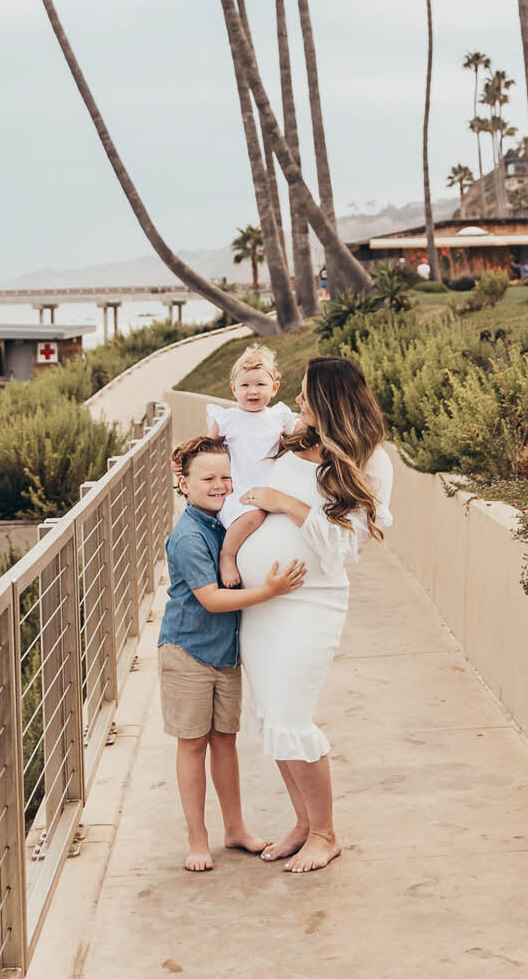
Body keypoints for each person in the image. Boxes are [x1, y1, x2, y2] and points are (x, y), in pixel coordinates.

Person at [236, 355, 394, 874]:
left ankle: (326, 834)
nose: (297, 402)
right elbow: (237, 436)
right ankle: (302, 825)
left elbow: (345, 548)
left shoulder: (371, 462)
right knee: (271, 718)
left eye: (305, 395)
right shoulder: (294, 439)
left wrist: (287, 503)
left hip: (310, 604)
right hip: (263, 606)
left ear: (328, 400)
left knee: (292, 715)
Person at [161, 434, 305, 872]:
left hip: (224, 653)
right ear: (183, 483)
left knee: (225, 740)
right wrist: (269, 592)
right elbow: (210, 599)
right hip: (187, 651)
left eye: (226, 475)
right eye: (207, 477)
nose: (220, 484)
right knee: (193, 745)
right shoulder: (188, 535)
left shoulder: (224, 522)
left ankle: (235, 827)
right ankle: (197, 838)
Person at [206, 345, 297, 590]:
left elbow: (301, 437)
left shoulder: (279, 417)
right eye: (245, 385)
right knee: (254, 514)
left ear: (274, 388)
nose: (252, 391)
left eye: (260, 385)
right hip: (242, 493)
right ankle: (228, 555)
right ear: (234, 388)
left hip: (271, 488)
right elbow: (205, 448)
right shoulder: (227, 419)